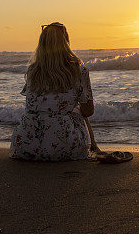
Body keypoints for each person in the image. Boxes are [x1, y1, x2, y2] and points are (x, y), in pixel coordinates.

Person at [9, 22, 102, 161]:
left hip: (24, 146)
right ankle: (93, 146)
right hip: (63, 147)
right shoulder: (78, 70)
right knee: (75, 110)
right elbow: (88, 111)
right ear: (66, 43)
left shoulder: (33, 71)